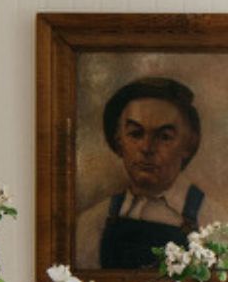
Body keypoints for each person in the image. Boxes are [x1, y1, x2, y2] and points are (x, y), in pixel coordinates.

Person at [75, 76, 207, 272]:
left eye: (164, 137)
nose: (147, 148)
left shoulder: (212, 222)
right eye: (136, 134)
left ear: (189, 144)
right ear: (118, 140)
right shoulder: (93, 222)